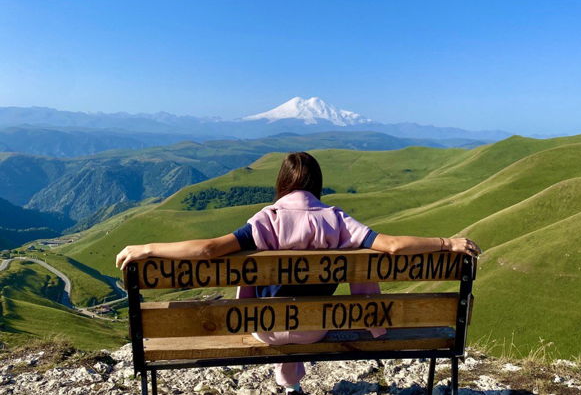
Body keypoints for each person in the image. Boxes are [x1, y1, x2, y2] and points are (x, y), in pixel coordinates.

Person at [115, 152, 481, 395]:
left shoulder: (268, 219)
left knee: (277, 308)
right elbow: (393, 246)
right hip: (316, 328)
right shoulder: (337, 220)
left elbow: (209, 250)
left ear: (282, 184)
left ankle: (289, 384)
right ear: (317, 185)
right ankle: (292, 383)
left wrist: (146, 249)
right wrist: (447, 243)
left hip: (264, 327)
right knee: (304, 311)